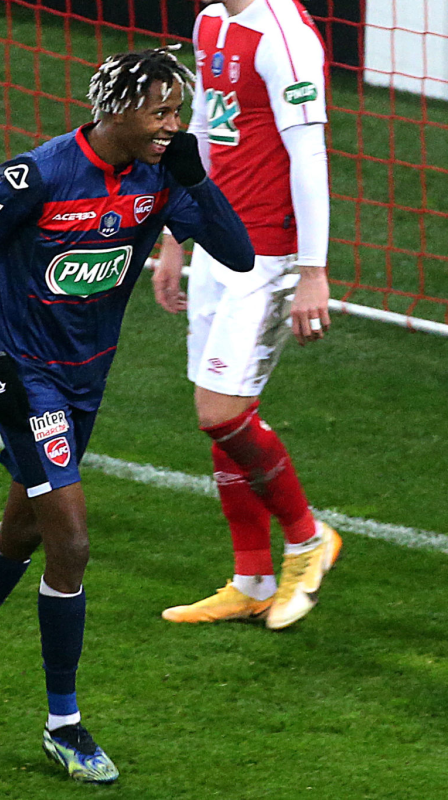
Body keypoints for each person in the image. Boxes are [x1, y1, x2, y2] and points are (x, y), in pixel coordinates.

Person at [0, 47, 254, 784]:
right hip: (27, 379)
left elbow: (238, 253)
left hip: (86, 380)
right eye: (161, 112)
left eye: (176, 111)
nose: (173, 123)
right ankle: (65, 723)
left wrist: (192, 177)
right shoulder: (39, 175)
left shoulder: (159, 178)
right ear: (117, 111)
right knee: (72, 541)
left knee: (22, 526)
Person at [155, 0, 341, 631]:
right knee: (221, 411)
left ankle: (308, 538)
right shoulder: (211, 21)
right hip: (216, 240)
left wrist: (312, 271)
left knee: (222, 410)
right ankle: (253, 579)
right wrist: (174, 238)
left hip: (268, 254)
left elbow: (310, 156)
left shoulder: (286, 38)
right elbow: (204, 137)